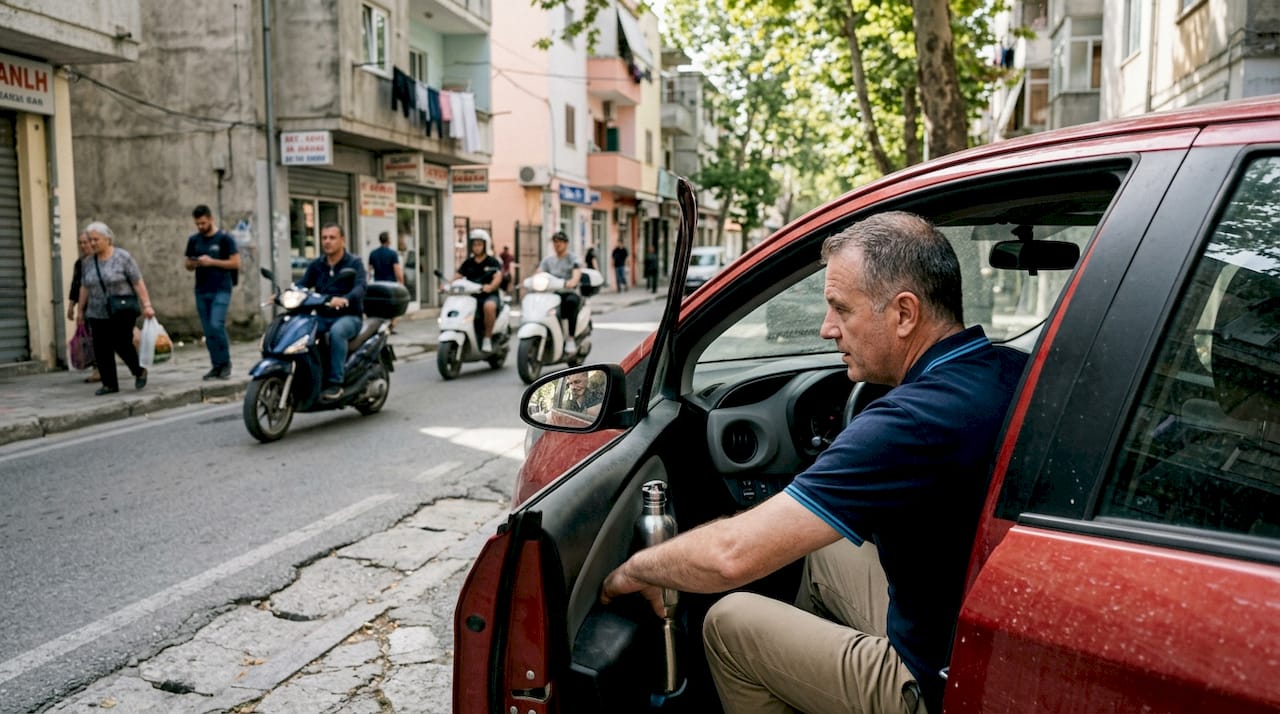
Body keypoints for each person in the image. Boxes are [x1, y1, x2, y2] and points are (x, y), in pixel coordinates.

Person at [600, 212, 1028, 714]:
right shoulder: (1007, 367)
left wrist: (635, 569)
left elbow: (732, 555)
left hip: (936, 676)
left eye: (841, 309)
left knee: (729, 623)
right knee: (826, 551)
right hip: (976, 615)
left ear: (905, 314)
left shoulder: (910, 421)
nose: (827, 330)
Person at [76, 221, 157, 395]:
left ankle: (138, 370)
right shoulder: (88, 262)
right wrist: (80, 310)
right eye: (90, 240)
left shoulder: (123, 257)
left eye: (95, 239)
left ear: (107, 238)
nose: (91, 243)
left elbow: (137, 282)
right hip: (96, 311)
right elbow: (84, 286)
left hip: (121, 309)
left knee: (121, 343)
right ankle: (109, 384)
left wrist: (147, 305)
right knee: (101, 348)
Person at [298, 223, 367, 401]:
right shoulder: (317, 265)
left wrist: (346, 298)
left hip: (348, 316)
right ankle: (310, 376)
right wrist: (287, 293)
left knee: (337, 332)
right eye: (324, 238)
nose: (327, 242)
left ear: (342, 240)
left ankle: (336, 383)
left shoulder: (354, 263)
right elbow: (303, 283)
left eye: (332, 237)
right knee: (301, 331)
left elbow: (360, 286)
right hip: (322, 315)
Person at [184, 204, 240, 380]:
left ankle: (225, 363)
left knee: (217, 324)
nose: (200, 227)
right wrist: (192, 263)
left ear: (211, 219)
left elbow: (235, 263)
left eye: (203, 223)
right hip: (201, 290)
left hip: (221, 289)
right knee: (208, 331)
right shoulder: (194, 240)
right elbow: (186, 264)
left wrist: (212, 262)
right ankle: (216, 365)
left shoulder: (224, 239)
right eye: (197, 224)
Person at [453, 229, 503, 353]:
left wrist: (491, 286)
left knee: (489, 307)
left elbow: (498, 276)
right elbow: (457, 276)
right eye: (474, 244)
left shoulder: (492, 261)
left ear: (485, 245)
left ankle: (487, 338)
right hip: (470, 296)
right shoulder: (468, 263)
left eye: (479, 244)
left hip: (488, 295)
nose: (477, 247)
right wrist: (447, 286)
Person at [537, 231, 583, 355]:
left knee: (571, 302)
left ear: (566, 243)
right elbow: (539, 273)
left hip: (568, 292)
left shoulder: (573, 259)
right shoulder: (548, 260)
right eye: (555, 242)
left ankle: (570, 338)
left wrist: (572, 282)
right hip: (551, 293)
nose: (557, 244)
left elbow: (576, 275)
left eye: (560, 242)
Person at [67, 231, 99, 383]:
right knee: (90, 339)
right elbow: (76, 285)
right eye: (80, 243)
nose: (83, 245)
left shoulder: (100, 260)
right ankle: (97, 369)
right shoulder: (80, 263)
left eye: (85, 242)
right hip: (86, 307)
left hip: (102, 305)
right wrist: (72, 306)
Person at [368, 230, 404, 332]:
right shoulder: (392, 254)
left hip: (377, 284)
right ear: (388, 240)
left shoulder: (373, 254)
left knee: (380, 307)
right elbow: (397, 269)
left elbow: (369, 270)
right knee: (395, 308)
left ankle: (380, 326)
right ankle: (390, 327)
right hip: (390, 285)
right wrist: (401, 282)